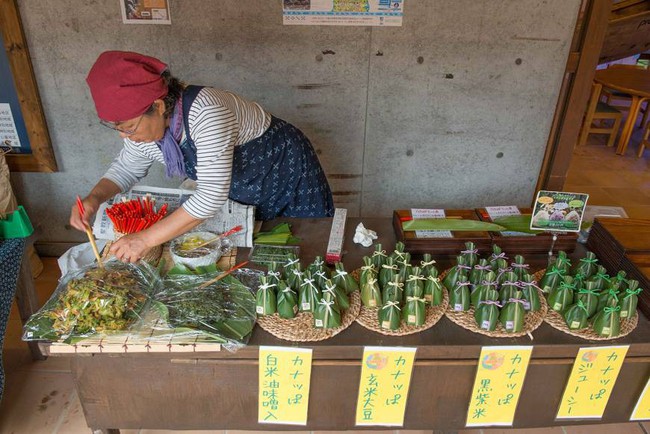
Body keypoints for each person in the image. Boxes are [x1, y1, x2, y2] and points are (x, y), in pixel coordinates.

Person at [70, 50, 334, 263]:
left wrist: (145, 240)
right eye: (117, 129)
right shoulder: (146, 132)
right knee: (259, 248)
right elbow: (126, 169)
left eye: (128, 128)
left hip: (283, 165)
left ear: (159, 107)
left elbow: (210, 195)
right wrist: (93, 199)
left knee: (308, 241)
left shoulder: (206, 112)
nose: (125, 136)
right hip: (243, 180)